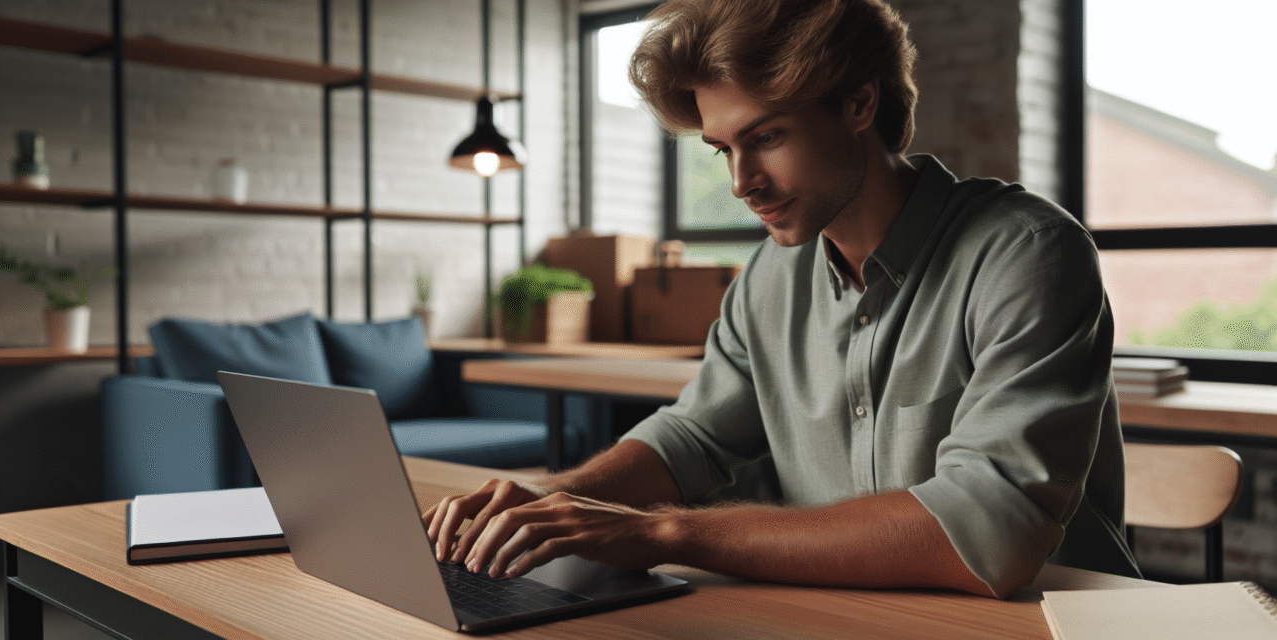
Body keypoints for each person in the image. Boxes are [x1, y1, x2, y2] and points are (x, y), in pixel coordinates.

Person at [425, 0, 1139, 599]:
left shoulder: (1027, 253)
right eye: (722, 150)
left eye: (766, 136)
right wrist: (557, 498)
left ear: (859, 102)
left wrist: (663, 532)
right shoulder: (770, 274)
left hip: (1046, 620)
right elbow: (693, 437)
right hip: (859, 616)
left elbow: (990, 529)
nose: (742, 182)